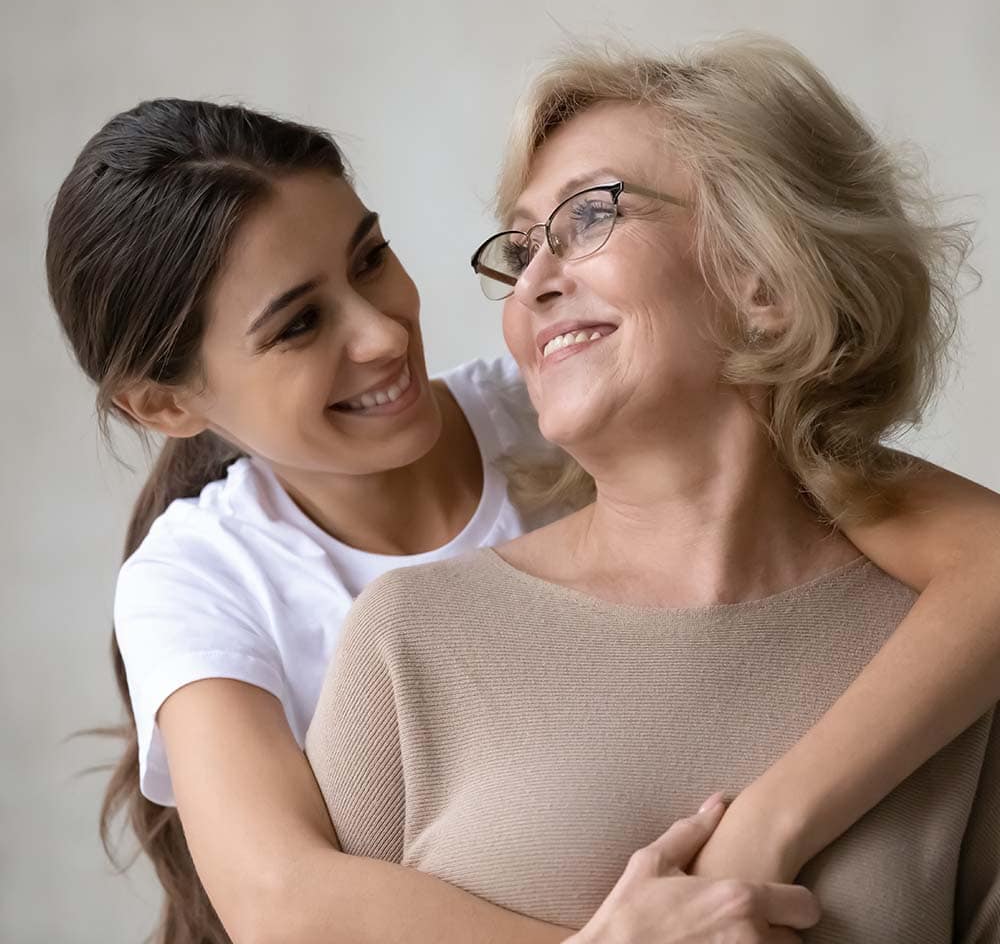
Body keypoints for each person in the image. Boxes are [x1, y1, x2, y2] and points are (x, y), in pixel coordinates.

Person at [46, 78, 998, 944]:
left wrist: (764, 830)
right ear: (168, 407)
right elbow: (283, 900)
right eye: (299, 324)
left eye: (371, 257)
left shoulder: (563, 403)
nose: (382, 334)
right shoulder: (205, 579)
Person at [305, 36, 1000, 942]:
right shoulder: (412, 638)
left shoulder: (951, 657)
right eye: (520, 249)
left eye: (588, 218)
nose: (536, 284)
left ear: (768, 281)